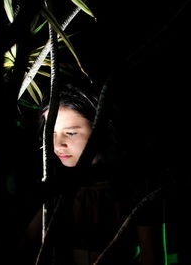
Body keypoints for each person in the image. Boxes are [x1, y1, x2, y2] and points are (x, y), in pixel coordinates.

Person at [19, 82, 166, 265]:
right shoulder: (59, 187)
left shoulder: (137, 186)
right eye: (52, 133)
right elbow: (27, 245)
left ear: (101, 127)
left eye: (71, 133)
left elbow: (152, 257)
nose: (57, 145)